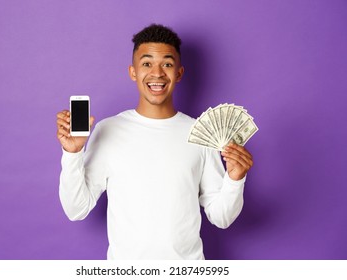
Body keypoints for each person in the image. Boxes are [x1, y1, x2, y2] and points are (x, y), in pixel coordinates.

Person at [56, 24, 253, 260]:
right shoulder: (108, 130)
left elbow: (222, 217)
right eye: (147, 63)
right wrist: (72, 154)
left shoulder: (201, 133)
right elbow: (76, 209)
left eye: (167, 64)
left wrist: (235, 179)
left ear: (179, 73)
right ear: (133, 72)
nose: (157, 73)